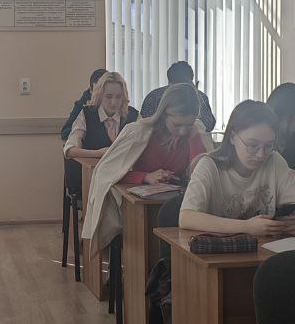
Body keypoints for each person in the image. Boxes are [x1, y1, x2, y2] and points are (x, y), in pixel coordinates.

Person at [82, 83, 211, 252]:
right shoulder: (138, 131)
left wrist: (194, 138)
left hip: (178, 204)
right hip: (137, 207)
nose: (182, 131)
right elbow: (106, 173)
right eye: (177, 125)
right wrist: (145, 177)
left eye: (188, 125)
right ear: (164, 115)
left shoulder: (195, 132)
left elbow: (203, 173)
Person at [179, 100, 295, 236]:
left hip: (264, 246)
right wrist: (246, 227)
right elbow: (186, 217)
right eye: (252, 145)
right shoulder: (209, 165)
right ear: (232, 137)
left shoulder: (274, 161)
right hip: (221, 247)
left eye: (268, 146)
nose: (261, 154)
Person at [63, 71, 139, 161]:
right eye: (108, 96)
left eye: (118, 97)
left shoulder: (133, 115)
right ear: (100, 95)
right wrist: (97, 153)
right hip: (95, 168)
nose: (113, 102)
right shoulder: (87, 114)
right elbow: (69, 150)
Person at [139, 61, 216, 131]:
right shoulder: (201, 97)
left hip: (157, 140)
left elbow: (145, 122)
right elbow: (208, 125)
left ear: (169, 79)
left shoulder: (154, 95)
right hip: (192, 140)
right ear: (192, 77)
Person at [60, 68, 107, 140]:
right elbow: (65, 132)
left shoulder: (116, 104)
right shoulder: (81, 105)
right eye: (98, 90)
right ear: (91, 90)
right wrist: (83, 131)